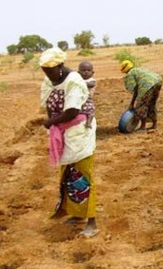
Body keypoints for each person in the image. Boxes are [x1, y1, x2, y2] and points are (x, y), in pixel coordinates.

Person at [39, 47, 98, 238]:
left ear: (61, 65)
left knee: (82, 174)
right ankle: (76, 214)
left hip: (79, 132)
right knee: (68, 173)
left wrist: (51, 122)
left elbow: (72, 112)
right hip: (65, 131)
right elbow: (48, 103)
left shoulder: (73, 81)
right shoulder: (51, 80)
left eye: (51, 70)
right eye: (45, 70)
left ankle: (91, 222)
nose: (47, 74)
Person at [120, 60, 162, 132]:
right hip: (158, 81)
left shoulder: (130, 74)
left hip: (147, 85)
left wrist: (132, 103)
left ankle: (142, 127)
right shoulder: (139, 69)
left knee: (141, 105)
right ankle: (154, 125)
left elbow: (135, 89)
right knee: (151, 104)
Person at [78, 61, 96, 128]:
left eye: (88, 70)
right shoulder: (78, 80)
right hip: (79, 99)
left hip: (88, 100)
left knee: (90, 111)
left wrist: (80, 84)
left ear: (92, 73)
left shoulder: (91, 80)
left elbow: (91, 85)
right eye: (83, 70)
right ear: (78, 73)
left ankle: (89, 122)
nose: (86, 72)